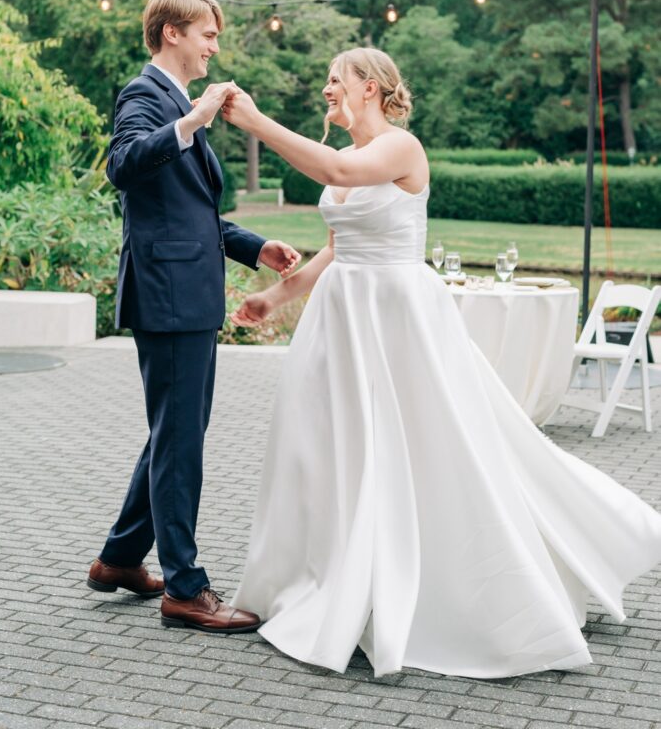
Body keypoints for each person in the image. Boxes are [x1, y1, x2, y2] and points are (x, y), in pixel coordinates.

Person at [221, 46, 661, 678]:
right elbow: (339, 246)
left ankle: (460, 581)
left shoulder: (401, 149)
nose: (326, 90)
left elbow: (343, 180)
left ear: (369, 88)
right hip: (343, 321)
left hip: (398, 317)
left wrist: (258, 124)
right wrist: (277, 295)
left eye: (335, 80)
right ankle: (335, 574)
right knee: (338, 450)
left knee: (427, 448)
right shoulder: (348, 157)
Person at [87, 0, 301, 634]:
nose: (214, 44)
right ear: (171, 33)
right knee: (179, 440)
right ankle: (185, 587)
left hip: (188, 291)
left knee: (172, 434)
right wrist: (193, 121)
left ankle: (121, 559)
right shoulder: (145, 95)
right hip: (168, 297)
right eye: (207, 32)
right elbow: (122, 167)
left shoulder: (177, 104)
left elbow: (190, 213)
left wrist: (254, 245)